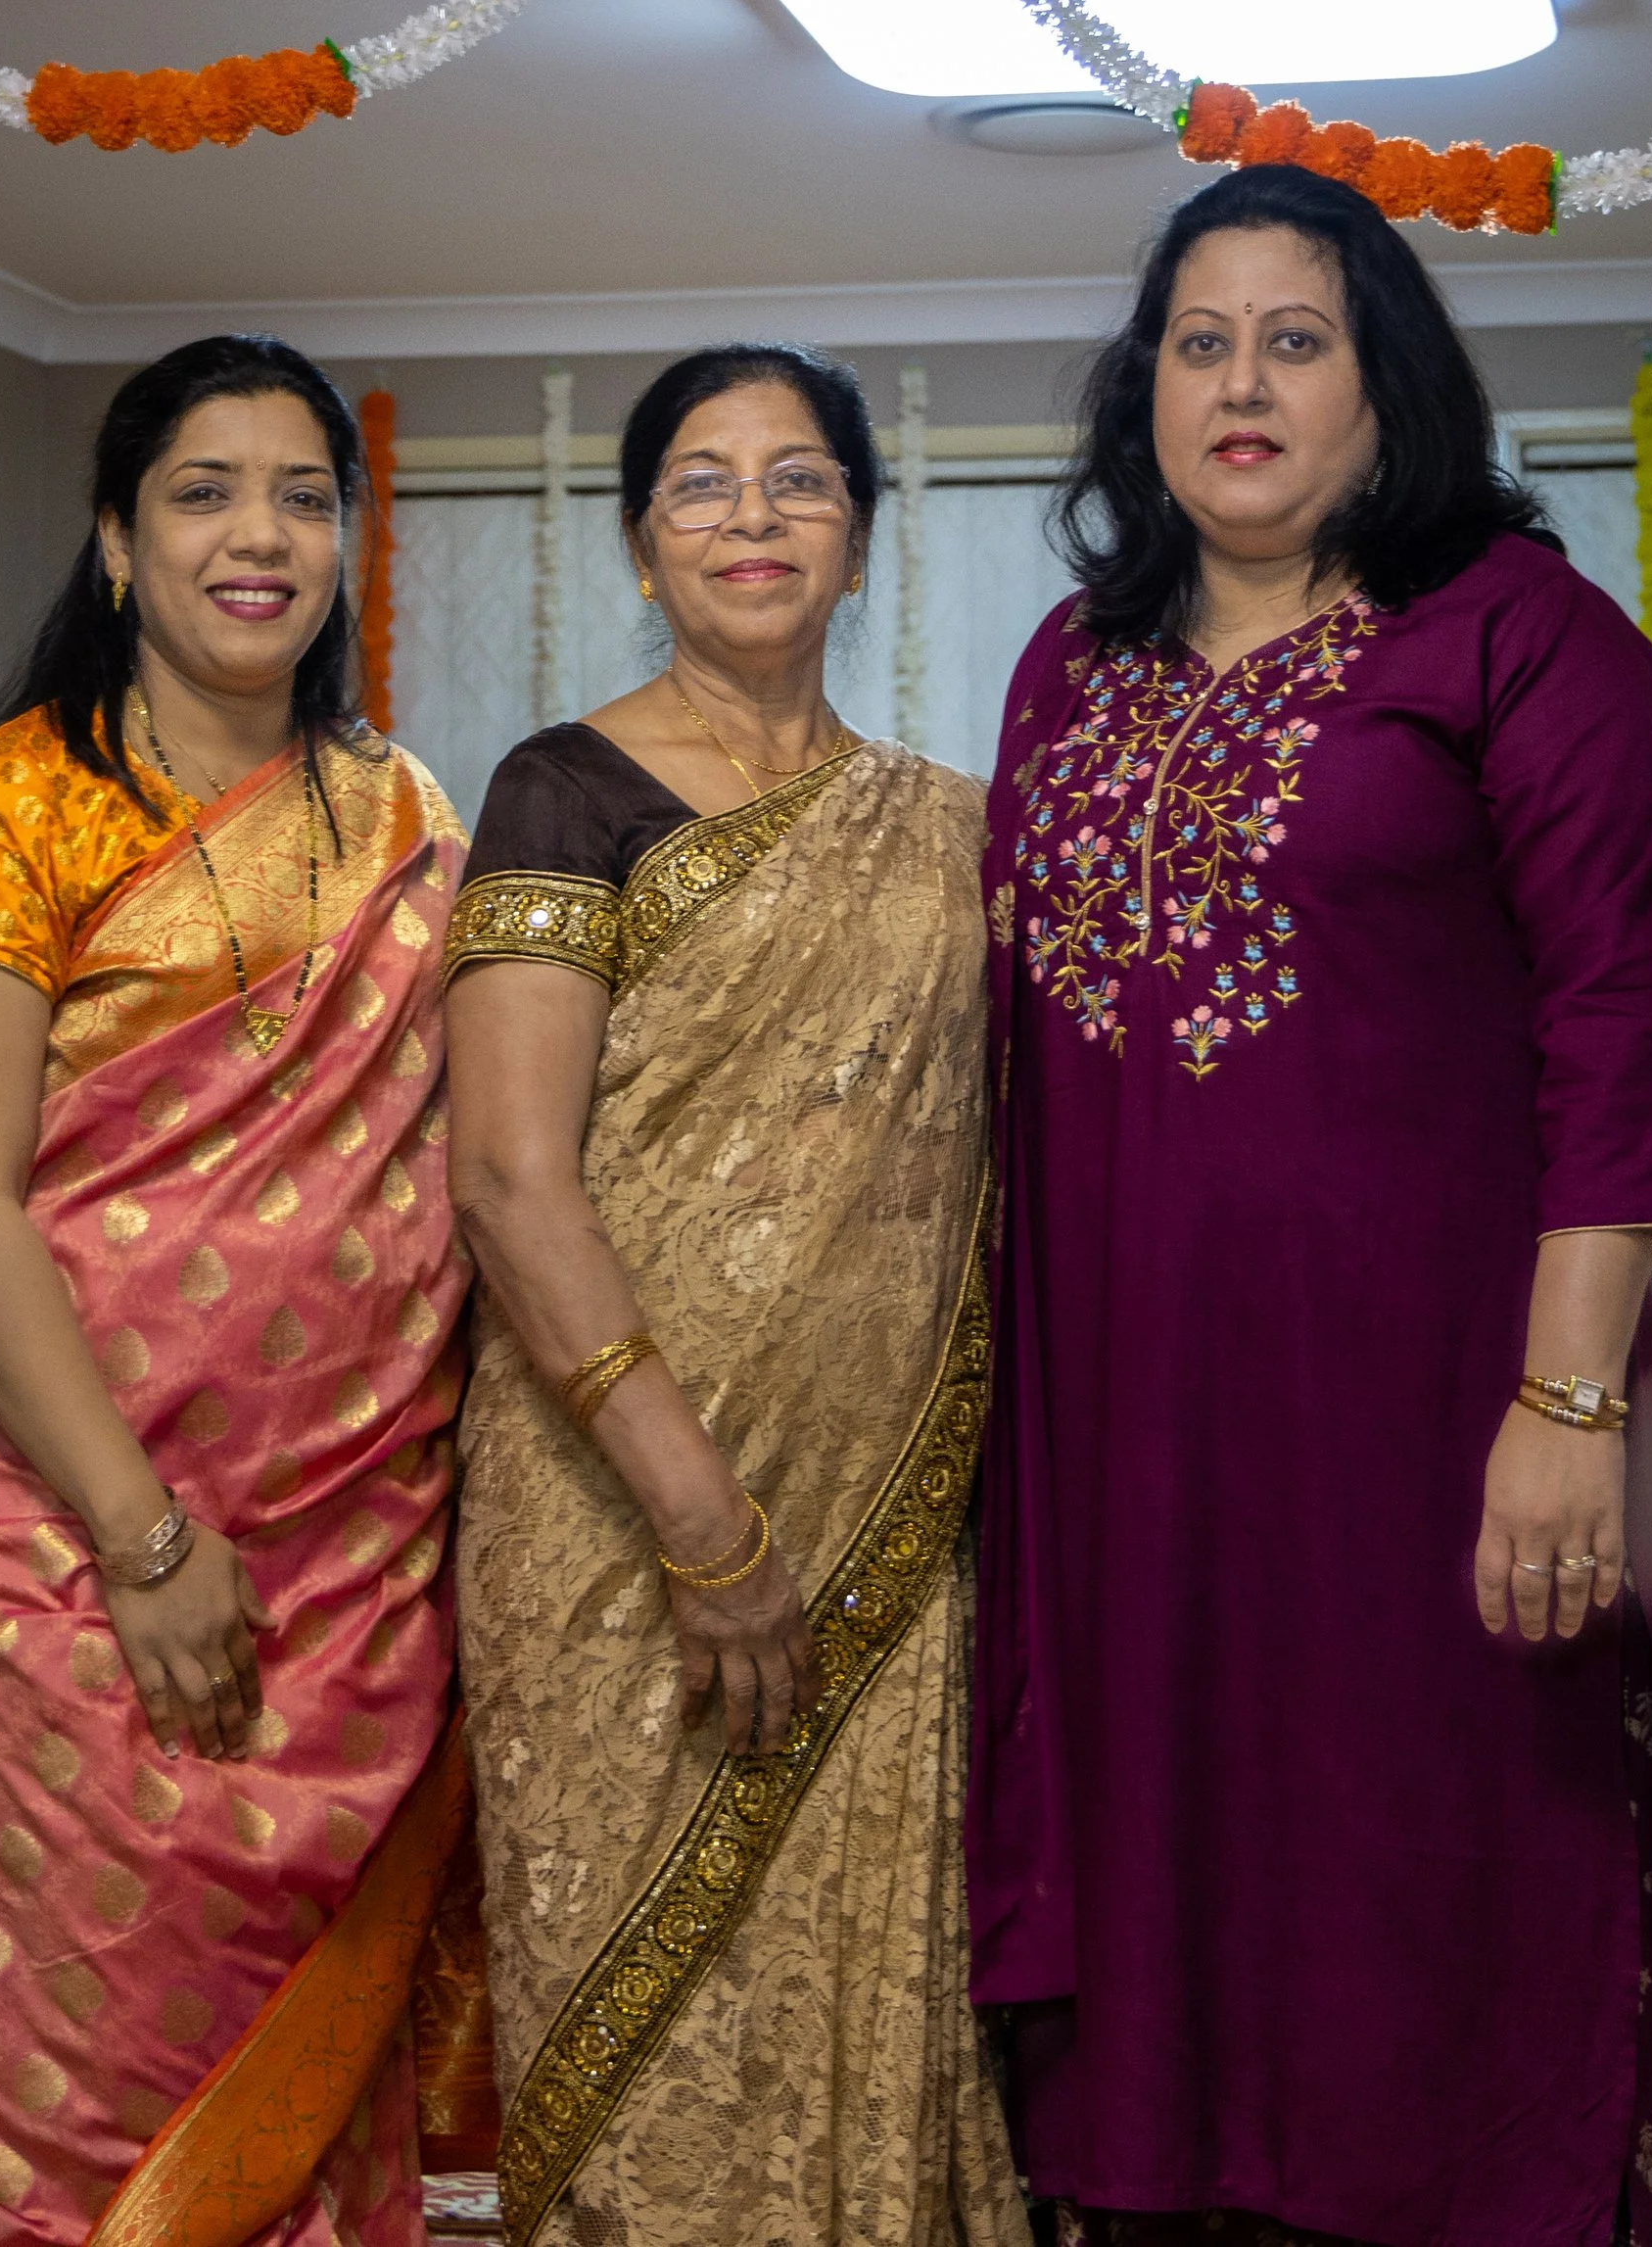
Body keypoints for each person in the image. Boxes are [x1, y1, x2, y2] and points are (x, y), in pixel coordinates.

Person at [969, 165, 1652, 2247]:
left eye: (1293, 341)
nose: (1240, 385)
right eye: (1197, 343)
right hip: (1121, 1435)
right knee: (1153, 1881)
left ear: (1384, 391)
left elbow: (1620, 1044)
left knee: (1435, 1884)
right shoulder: (1069, 666)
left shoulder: (1525, 643)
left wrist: (1567, 1417)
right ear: (1143, 394)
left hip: (1426, 1433)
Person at [0, 336, 481, 2247]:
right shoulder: (18, 803)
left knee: (310, 2101)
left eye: (302, 495)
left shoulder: (401, 818)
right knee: (70, 2137)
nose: (260, 535)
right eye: (204, 492)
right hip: (56, 1560)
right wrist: (145, 1545)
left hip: (348, 1573)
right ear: (119, 549)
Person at [445, 344, 1023, 2247]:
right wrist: (698, 1522)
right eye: (702, 482)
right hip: (616, 1517)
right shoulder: (562, 790)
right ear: (640, 543)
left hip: (886, 1522)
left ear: (859, 540)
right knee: (635, 2028)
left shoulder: (952, 830)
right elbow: (511, 1179)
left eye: (798, 482)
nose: (752, 517)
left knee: (874, 2004)